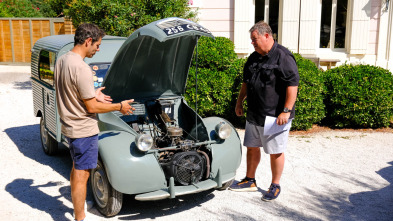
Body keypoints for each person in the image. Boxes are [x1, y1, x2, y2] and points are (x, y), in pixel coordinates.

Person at [54, 23, 135, 221]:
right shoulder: (82, 68)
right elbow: (92, 108)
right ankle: (80, 217)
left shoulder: (62, 60)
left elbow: (72, 91)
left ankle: (78, 208)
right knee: (83, 174)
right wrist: (119, 107)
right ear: (88, 41)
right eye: (97, 45)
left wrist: (93, 94)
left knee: (77, 167)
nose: (98, 49)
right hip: (83, 129)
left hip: (70, 126)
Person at [229, 21, 299, 201]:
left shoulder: (283, 56)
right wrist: (239, 102)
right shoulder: (253, 57)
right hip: (254, 114)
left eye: (254, 39)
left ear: (266, 36)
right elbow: (246, 82)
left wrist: (286, 111)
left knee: (275, 151)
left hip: (275, 117)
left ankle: (275, 185)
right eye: (252, 40)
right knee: (252, 148)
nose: (252, 43)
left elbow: (293, 85)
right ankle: (250, 180)